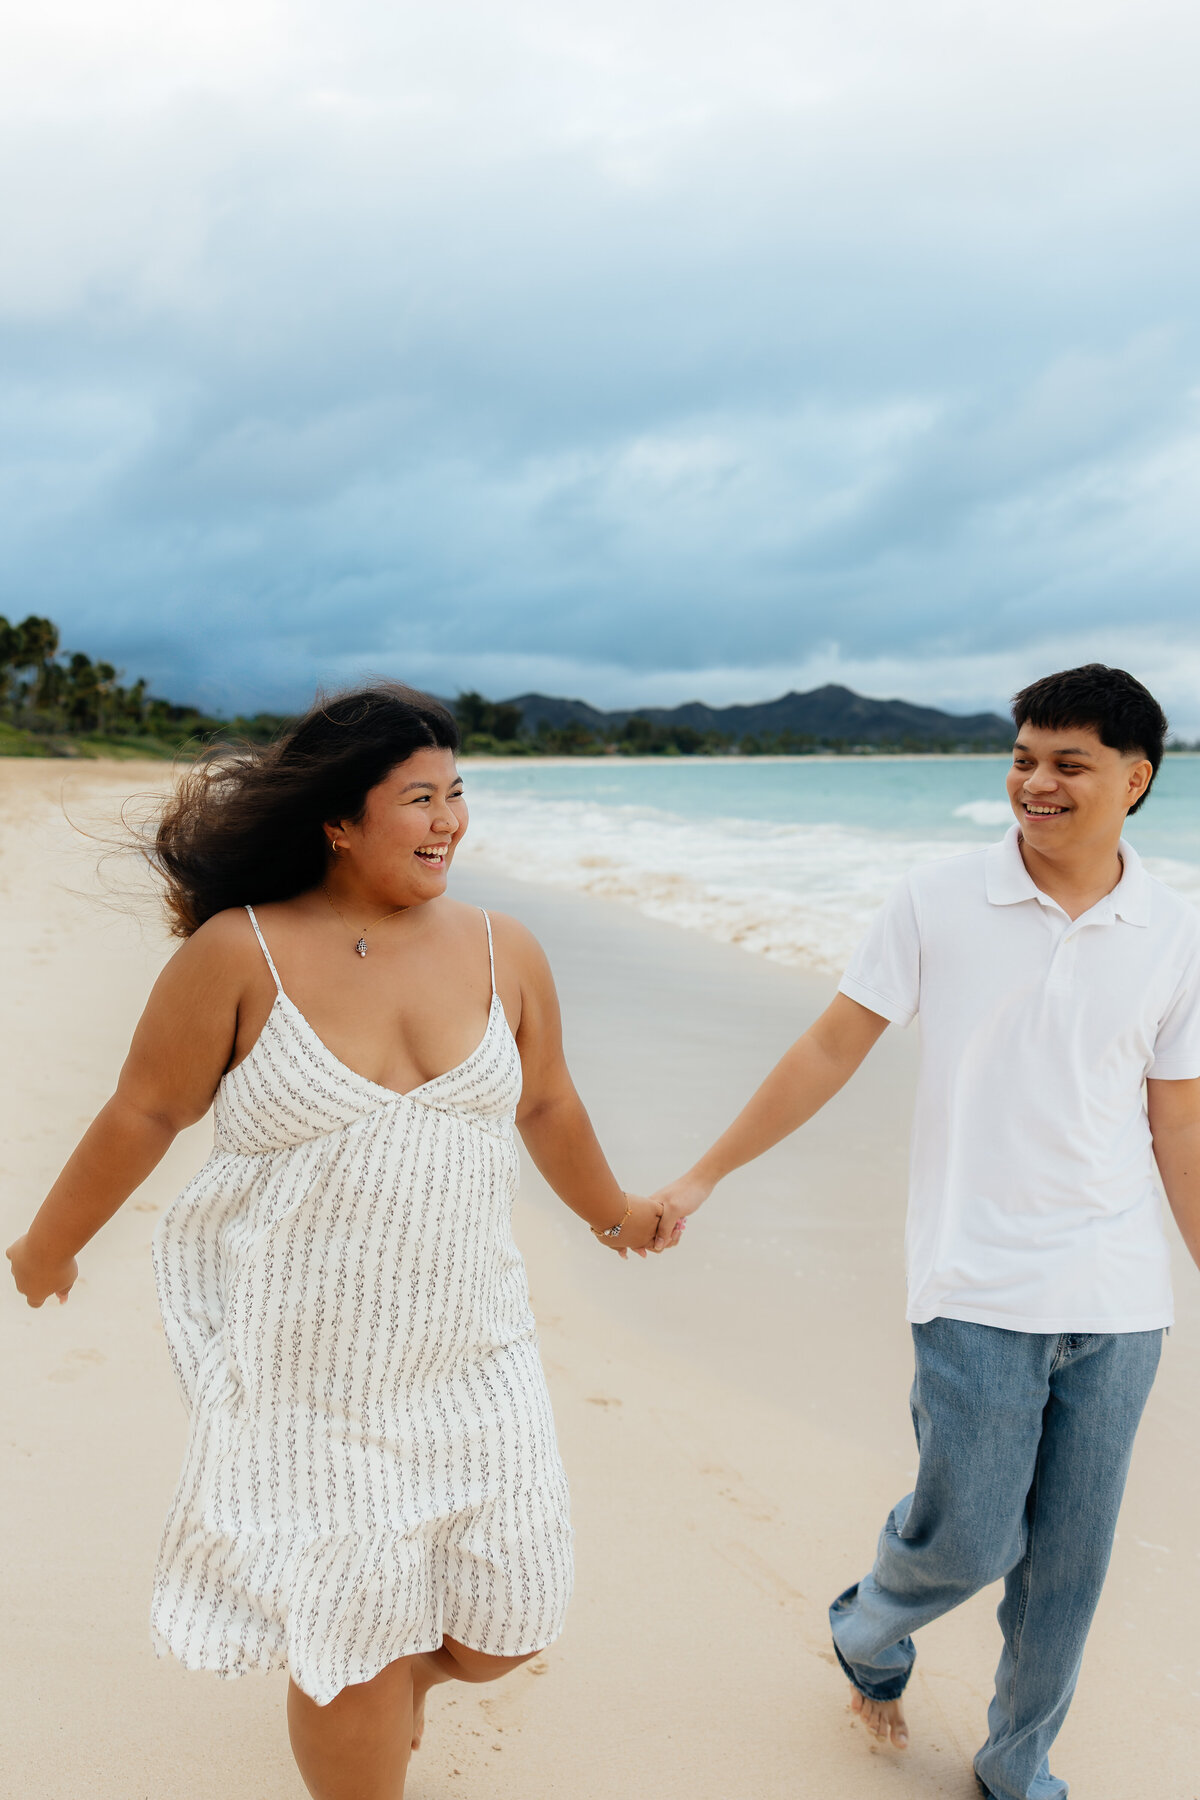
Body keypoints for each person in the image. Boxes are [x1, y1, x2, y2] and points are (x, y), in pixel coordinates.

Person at [6, 684, 665, 1800]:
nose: (450, 819)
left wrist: (617, 1214)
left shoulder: (508, 949)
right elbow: (143, 1114)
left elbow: (548, 1106)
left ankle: (402, 1683)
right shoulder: (240, 951)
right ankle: (364, 1709)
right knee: (351, 1641)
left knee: (508, 1616)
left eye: (458, 793)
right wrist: (47, 1246)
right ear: (338, 820)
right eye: (420, 798)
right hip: (305, 1367)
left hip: (473, 1350)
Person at [649, 664, 1200, 1800]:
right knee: (971, 1539)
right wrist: (708, 1173)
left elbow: (1178, 1119)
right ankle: (870, 1620)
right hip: (974, 1280)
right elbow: (829, 1049)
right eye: (1023, 758)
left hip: (1118, 1293)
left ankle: (1016, 1761)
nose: (1035, 783)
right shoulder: (937, 898)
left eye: (1068, 764)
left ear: (1138, 779)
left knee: (1073, 1566)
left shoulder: (1177, 928)